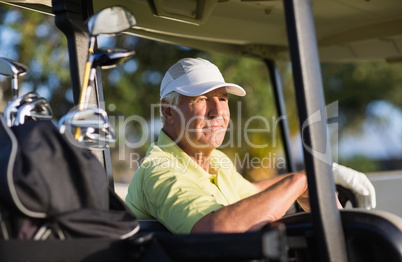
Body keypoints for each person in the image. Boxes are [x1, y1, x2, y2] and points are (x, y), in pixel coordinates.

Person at [125, 57, 375, 234]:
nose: (218, 111)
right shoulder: (160, 170)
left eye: (222, 98)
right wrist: (299, 183)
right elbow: (214, 228)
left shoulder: (215, 160)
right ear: (168, 112)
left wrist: (317, 175)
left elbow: (253, 194)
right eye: (202, 99)